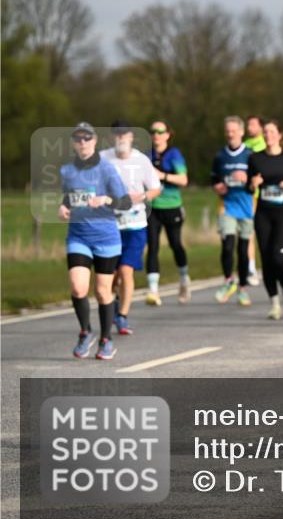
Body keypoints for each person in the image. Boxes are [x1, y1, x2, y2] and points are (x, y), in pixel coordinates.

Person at [61, 123, 133, 360]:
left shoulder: (107, 169)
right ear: (74, 142)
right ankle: (85, 331)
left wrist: (106, 199)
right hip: (79, 235)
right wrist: (64, 207)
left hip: (106, 238)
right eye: (78, 139)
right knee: (78, 287)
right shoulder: (67, 170)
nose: (82, 142)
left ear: (94, 142)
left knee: (103, 292)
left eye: (86, 138)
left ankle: (106, 339)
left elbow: (125, 203)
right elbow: (68, 197)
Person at [101, 120, 161, 336]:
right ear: (111, 138)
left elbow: (156, 188)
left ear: (131, 137)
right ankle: (114, 303)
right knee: (112, 275)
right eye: (117, 135)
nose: (121, 139)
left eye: (124, 135)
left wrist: (142, 196)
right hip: (110, 226)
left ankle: (122, 316)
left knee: (126, 270)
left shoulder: (141, 160)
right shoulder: (103, 159)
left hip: (135, 225)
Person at [247, 119, 283, 320]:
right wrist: (254, 184)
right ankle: (274, 303)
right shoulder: (255, 159)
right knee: (267, 260)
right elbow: (248, 187)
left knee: (278, 256)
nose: (268, 135)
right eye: (265, 132)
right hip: (263, 214)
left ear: (280, 135)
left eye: (272, 132)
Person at [211, 116, 254, 306]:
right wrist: (218, 186)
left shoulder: (251, 155)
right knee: (227, 245)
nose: (230, 134)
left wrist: (247, 179)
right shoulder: (220, 156)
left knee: (243, 250)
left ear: (241, 132)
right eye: (227, 131)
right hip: (227, 206)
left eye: (234, 130)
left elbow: (257, 182)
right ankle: (228, 281)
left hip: (246, 206)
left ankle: (243, 287)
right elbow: (213, 179)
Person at [146, 120, 190, 306]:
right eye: (153, 131)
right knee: (153, 247)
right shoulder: (146, 155)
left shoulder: (174, 154)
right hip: (152, 207)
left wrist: (162, 175)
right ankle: (153, 290)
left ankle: (183, 278)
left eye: (160, 131)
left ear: (167, 134)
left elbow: (183, 179)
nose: (156, 134)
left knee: (175, 244)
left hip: (172, 205)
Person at [243, 115, 265, 284]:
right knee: (248, 232)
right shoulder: (245, 145)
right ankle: (250, 268)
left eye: (253, 124)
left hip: (262, 195)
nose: (249, 127)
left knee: (263, 232)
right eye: (247, 124)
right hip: (248, 195)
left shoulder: (263, 144)